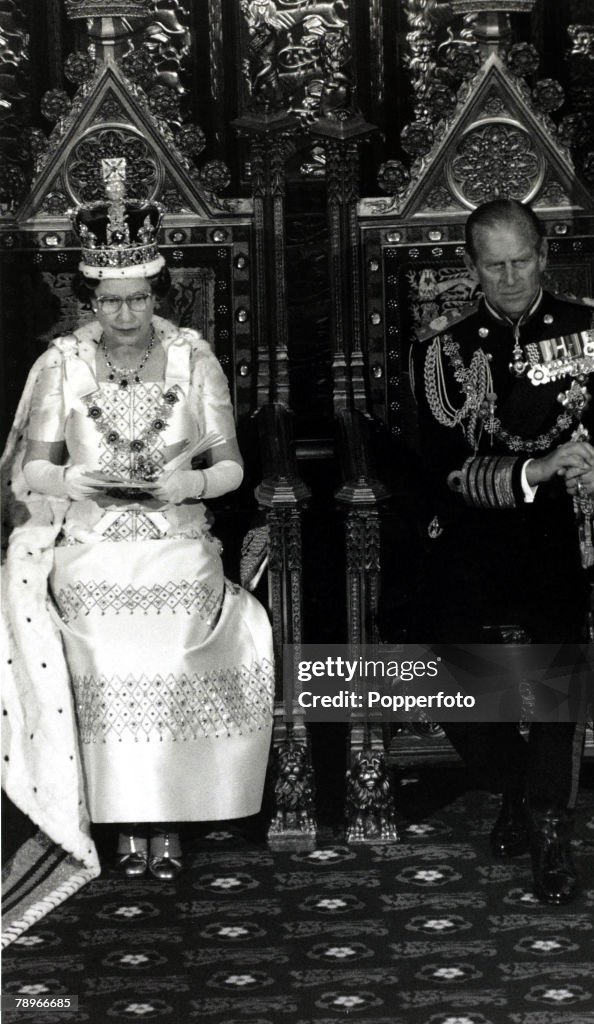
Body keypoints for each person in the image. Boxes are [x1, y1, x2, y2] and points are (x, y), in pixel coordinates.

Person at [2, 161, 273, 886]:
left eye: (140, 299)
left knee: (174, 648)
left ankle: (171, 819)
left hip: (177, 540)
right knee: (102, 654)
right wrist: (77, 478)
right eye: (111, 301)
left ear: (159, 293)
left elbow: (233, 468)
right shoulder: (64, 363)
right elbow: (32, 471)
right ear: (89, 297)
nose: (126, 316)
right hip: (92, 544)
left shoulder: (193, 359)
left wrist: (189, 480)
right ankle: (125, 824)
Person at [409, 198, 594, 904]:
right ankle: (512, 781)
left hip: (566, 531)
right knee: (439, 648)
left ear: (543, 255)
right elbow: (439, 465)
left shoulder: (592, 329)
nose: (509, 278)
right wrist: (530, 472)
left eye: (521, 261)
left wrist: (591, 473)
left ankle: (548, 826)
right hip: (477, 531)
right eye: (492, 265)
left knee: (557, 656)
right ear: (471, 267)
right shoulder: (442, 348)